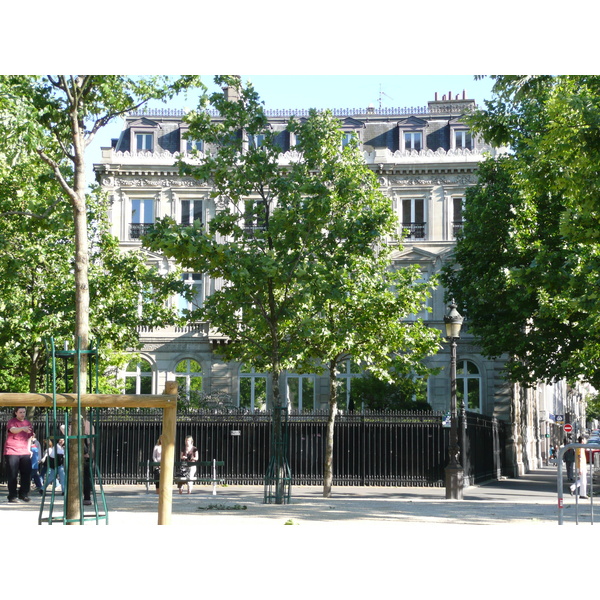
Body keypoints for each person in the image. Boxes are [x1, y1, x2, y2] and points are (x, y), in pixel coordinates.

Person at [4, 407, 34, 503]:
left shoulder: (28, 423)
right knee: (12, 474)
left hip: (24, 451)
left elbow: (30, 437)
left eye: (24, 412)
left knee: (26, 474)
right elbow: (12, 430)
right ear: (16, 413)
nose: (22, 414)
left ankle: (23, 494)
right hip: (12, 450)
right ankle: (12, 496)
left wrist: (29, 449)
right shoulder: (11, 421)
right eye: (20, 412)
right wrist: (22, 428)